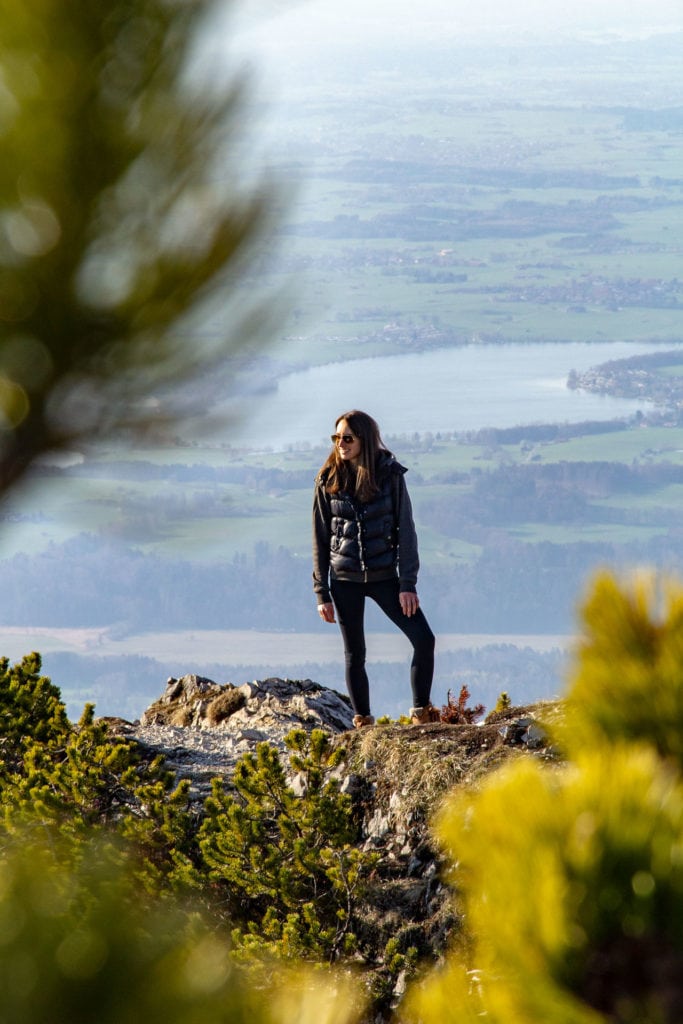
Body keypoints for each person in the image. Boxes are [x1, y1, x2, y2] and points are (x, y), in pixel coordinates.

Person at [312, 409, 438, 728]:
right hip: (344, 581)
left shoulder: (389, 475)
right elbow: (320, 538)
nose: (340, 443)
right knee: (355, 655)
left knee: (424, 640)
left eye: (348, 438)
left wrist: (407, 584)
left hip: (386, 578)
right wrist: (321, 592)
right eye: (336, 437)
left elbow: (406, 530)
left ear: (364, 440)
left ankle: (421, 715)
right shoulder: (327, 478)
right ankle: (363, 724)